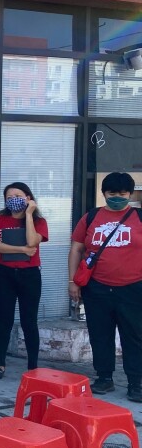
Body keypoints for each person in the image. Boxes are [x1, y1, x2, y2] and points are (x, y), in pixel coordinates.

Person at [68, 172, 142, 403]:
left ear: (130, 194)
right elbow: (77, 249)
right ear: (104, 194)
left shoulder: (139, 217)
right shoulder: (91, 217)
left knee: (134, 337)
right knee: (100, 335)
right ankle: (104, 377)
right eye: (112, 193)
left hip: (133, 288)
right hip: (97, 288)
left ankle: (136, 383)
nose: (117, 197)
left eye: (122, 193)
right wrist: (72, 281)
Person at [0, 183, 48, 379]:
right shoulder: (0, 219)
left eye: (18, 195)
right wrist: (21, 250)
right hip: (4, 274)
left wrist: (29, 214)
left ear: (28, 197)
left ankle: (32, 366)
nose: (13, 198)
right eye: (9, 196)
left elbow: (32, 242)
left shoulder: (39, 221)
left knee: (29, 321)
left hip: (29, 275)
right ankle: (0, 363)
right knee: (4, 320)